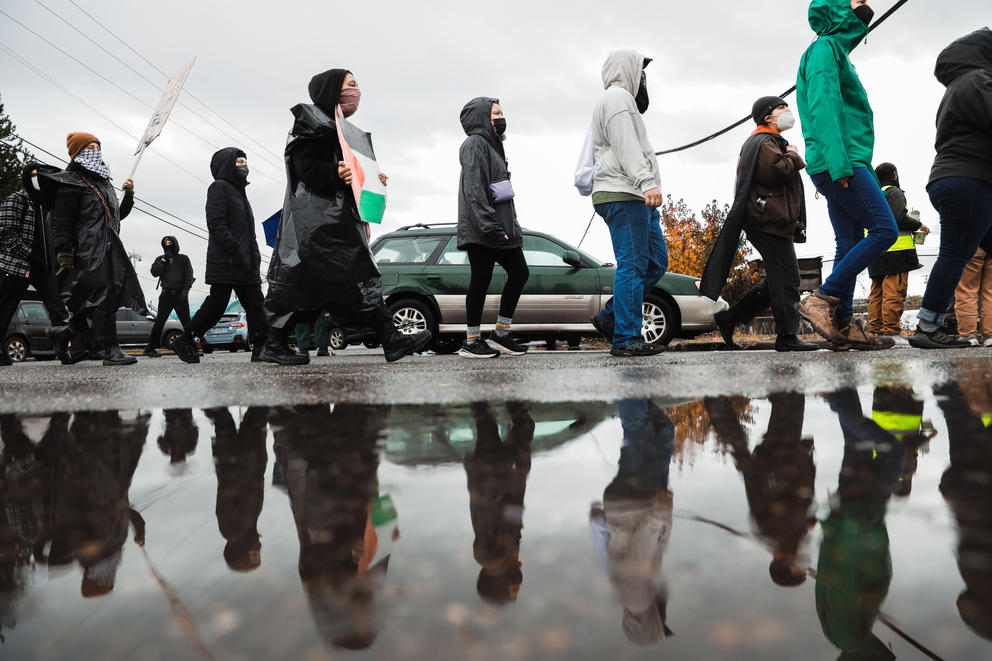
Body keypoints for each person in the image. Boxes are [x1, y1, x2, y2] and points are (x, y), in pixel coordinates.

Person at [259, 68, 432, 365]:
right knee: (338, 279)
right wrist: (335, 174)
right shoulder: (311, 126)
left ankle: (390, 339)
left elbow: (347, 172)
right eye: (350, 84)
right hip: (316, 225)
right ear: (332, 90)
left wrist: (371, 180)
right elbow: (306, 170)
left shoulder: (336, 128)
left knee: (337, 281)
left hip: (332, 222)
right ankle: (271, 344)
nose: (356, 91)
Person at [794, 0, 899, 351]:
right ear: (837, 9)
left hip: (838, 160)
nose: (865, 6)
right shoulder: (825, 49)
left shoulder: (834, 50)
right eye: (857, 1)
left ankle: (842, 325)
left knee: (850, 242)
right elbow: (824, 107)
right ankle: (822, 299)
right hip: (841, 161)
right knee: (885, 230)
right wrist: (840, 164)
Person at [705, 97, 819, 352]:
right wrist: (794, 156)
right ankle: (787, 337)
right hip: (768, 222)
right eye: (782, 108)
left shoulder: (766, 141)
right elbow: (775, 172)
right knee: (789, 280)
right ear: (767, 116)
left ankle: (730, 318)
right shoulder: (764, 141)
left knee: (776, 282)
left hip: (769, 220)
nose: (788, 112)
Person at [909, 28, 992, 349]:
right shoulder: (977, 81)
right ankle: (928, 326)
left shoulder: (965, 84)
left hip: (959, 179)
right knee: (955, 254)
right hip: (969, 180)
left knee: (960, 254)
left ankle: (931, 323)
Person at [588, 50, 668, 357]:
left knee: (655, 263)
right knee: (633, 265)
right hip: (623, 192)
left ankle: (611, 316)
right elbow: (626, 146)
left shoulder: (623, 102)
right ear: (628, 70)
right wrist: (647, 182)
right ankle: (625, 338)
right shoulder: (618, 99)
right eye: (641, 70)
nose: (644, 77)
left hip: (633, 194)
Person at [48, 132, 145, 366]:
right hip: (86, 250)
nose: (95, 151)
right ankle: (111, 350)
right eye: (89, 147)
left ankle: (62, 334)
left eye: (97, 146)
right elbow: (61, 220)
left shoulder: (104, 183)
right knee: (103, 297)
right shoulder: (71, 182)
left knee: (90, 302)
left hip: (109, 247)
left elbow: (115, 216)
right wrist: (64, 251)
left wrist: (128, 195)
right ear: (77, 152)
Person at [705, 393, 816, 587]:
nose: (805, 566)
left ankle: (715, 399)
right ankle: (777, 380)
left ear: (786, 564)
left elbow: (758, 494)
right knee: (792, 399)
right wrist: (807, 460)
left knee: (792, 402)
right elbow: (805, 494)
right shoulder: (791, 538)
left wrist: (750, 465)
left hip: (776, 461)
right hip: (790, 458)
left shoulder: (773, 533)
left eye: (800, 570)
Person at [170, 148, 268, 364]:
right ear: (227, 165)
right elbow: (216, 224)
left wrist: (252, 256)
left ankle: (262, 347)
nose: (243, 165)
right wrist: (236, 250)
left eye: (245, 161)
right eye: (238, 161)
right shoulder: (219, 188)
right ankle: (186, 339)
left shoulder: (240, 193)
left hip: (246, 261)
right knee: (216, 305)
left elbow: (246, 232)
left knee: (255, 304)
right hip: (227, 260)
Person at [455, 97, 530, 358]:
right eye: (495, 113)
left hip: (498, 227)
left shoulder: (493, 146)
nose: (500, 117)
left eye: (501, 112)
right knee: (482, 279)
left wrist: (512, 226)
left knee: (519, 273)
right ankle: (471, 341)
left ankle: (500, 334)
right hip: (484, 229)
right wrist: (492, 227)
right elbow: (475, 191)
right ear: (481, 117)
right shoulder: (475, 144)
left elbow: (501, 193)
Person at [0, 163, 71, 366]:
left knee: (59, 309)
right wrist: (29, 254)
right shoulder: (17, 199)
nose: (36, 178)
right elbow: (6, 232)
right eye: (32, 174)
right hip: (17, 265)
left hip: (46, 268)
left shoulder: (49, 204)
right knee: (5, 307)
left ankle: (64, 350)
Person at [463, 402, 534, 603]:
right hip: (493, 475)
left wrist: (513, 477)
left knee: (520, 424)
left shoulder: (494, 557)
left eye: (513, 589)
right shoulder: (497, 558)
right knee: (486, 420)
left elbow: (500, 512)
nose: (517, 585)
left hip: (496, 476)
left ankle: (492, 386)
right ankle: (490, 388)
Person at [866, 163, 927, 343]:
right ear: (894, 174)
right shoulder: (894, 192)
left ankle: (876, 330)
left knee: (877, 292)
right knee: (894, 291)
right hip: (897, 250)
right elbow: (899, 219)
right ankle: (891, 331)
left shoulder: (872, 193)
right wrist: (919, 225)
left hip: (874, 249)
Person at [144, 235, 194, 357]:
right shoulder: (161, 258)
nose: (167, 244)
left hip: (180, 294)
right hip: (166, 294)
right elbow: (155, 273)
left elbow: (189, 275)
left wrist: (185, 291)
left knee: (187, 322)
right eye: (165, 242)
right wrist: (164, 260)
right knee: (159, 322)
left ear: (174, 243)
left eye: (169, 242)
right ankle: (150, 349)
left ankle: (192, 347)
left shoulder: (183, 259)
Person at [953, 248, 992, 346]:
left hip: (972, 242)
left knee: (967, 289)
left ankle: (968, 334)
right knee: (990, 291)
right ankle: (990, 335)